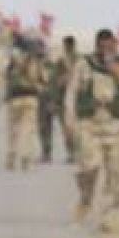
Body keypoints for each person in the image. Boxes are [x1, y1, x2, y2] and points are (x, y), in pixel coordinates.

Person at [65, 28, 119, 231]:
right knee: (88, 167)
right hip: (90, 124)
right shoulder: (84, 65)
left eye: (111, 46)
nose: (107, 50)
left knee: (116, 171)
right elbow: (72, 93)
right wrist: (69, 120)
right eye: (103, 47)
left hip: (116, 125)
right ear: (97, 46)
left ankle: (110, 214)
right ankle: (85, 198)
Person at [4, 38, 46, 171]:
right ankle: (26, 157)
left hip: (15, 99)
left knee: (13, 130)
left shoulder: (13, 61)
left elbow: (7, 78)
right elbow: (43, 80)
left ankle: (11, 156)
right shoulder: (35, 62)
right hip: (31, 98)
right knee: (28, 130)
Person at [39, 35, 77, 163]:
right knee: (48, 127)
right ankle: (48, 153)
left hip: (60, 99)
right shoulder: (55, 61)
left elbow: (56, 81)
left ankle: (68, 153)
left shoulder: (68, 60)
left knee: (65, 127)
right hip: (54, 98)